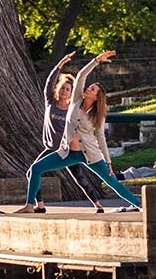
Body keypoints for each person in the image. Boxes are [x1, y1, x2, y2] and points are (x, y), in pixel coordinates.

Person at [17, 51, 141, 213]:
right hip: (67, 152)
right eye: (90, 87)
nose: (89, 88)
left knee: (113, 182)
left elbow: (101, 137)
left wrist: (108, 162)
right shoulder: (76, 100)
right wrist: (97, 60)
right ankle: (29, 206)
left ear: (97, 97)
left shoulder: (97, 115)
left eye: (93, 89)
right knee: (35, 169)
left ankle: (141, 205)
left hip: (90, 154)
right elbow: (82, 74)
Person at [31, 52, 108, 214]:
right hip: (52, 148)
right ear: (59, 90)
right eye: (63, 88)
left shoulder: (73, 109)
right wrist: (60, 64)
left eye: (68, 89)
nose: (65, 91)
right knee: (32, 171)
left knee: (79, 178)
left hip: (67, 149)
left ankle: (97, 205)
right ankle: (40, 205)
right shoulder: (50, 103)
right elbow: (48, 84)